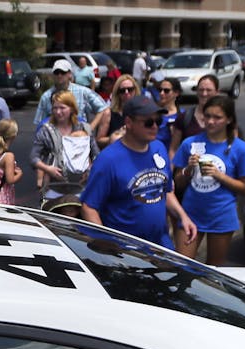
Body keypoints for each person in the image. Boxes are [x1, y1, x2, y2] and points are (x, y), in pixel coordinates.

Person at [80, 95, 196, 249]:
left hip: (161, 246)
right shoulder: (108, 160)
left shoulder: (159, 148)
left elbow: (165, 191)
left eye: (158, 121)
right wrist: (104, 242)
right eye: (148, 122)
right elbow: (89, 207)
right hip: (126, 252)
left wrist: (183, 216)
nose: (155, 126)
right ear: (128, 122)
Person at [175, 95, 245, 266]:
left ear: (229, 119)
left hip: (221, 216)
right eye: (207, 115)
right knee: (181, 268)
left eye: (217, 117)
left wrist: (220, 176)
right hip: (191, 214)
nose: (210, 121)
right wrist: (188, 169)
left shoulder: (240, 148)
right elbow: (177, 183)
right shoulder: (190, 143)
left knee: (214, 272)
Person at [31, 92, 96, 212]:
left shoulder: (84, 128)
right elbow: (34, 158)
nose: (58, 112)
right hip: (55, 188)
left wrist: (90, 171)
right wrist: (47, 169)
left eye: (62, 108)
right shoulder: (46, 130)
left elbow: (96, 156)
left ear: (72, 108)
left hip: (81, 188)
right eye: (55, 108)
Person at [34, 61, 107, 130]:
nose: (59, 75)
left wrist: (90, 128)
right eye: (56, 73)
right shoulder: (46, 96)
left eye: (63, 72)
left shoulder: (83, 92)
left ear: (70, 74)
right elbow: (40, 122)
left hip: (79, 136)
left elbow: (103, 108)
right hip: (56, 138)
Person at [92, 75, 141, 149]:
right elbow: (99, 140)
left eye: (130, 89)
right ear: (117, 93)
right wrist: (117, 137)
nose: (126, 92)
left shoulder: (142, 112)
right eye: (122, 90)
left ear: (135, 90)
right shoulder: (108, 113)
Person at [175, 74, 221, 141]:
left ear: (217, 92)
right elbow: (174, 149)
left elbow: (235, 147)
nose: (204, 94)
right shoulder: (185, 118)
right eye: (201, 90)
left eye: (209, 90)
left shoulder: (225, 118)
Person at [0, 119, 22, 205]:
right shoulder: (8, 156)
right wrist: (19, 174)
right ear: (14, 136)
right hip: (3, 195)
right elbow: (10, 179)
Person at [151, 78, 183, 152]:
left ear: (176, 93)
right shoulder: (153, 113)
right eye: (160, 90)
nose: (162, 93)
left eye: (166, 91)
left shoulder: (183, 115)